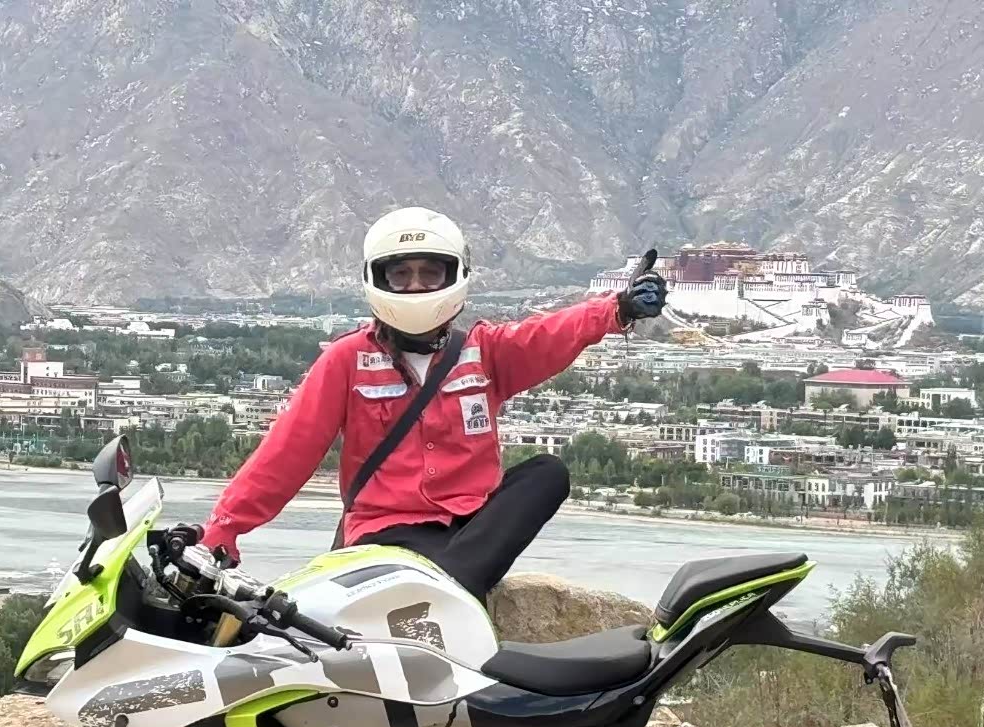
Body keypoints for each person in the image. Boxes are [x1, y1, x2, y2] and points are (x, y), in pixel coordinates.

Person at [201, 206, 667, 603]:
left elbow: (548, 335)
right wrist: (224, 528)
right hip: (387, 532)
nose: (417, 285)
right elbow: (288, 451)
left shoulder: (484, 352)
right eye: (401, 274)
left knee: (548, 473)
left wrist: (618, 309)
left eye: (430, 273)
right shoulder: (347, 360)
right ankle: (451, 587)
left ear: (453, 275)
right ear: (378, 278)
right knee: (436, 561)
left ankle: (445, 586)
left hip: (470, 526)